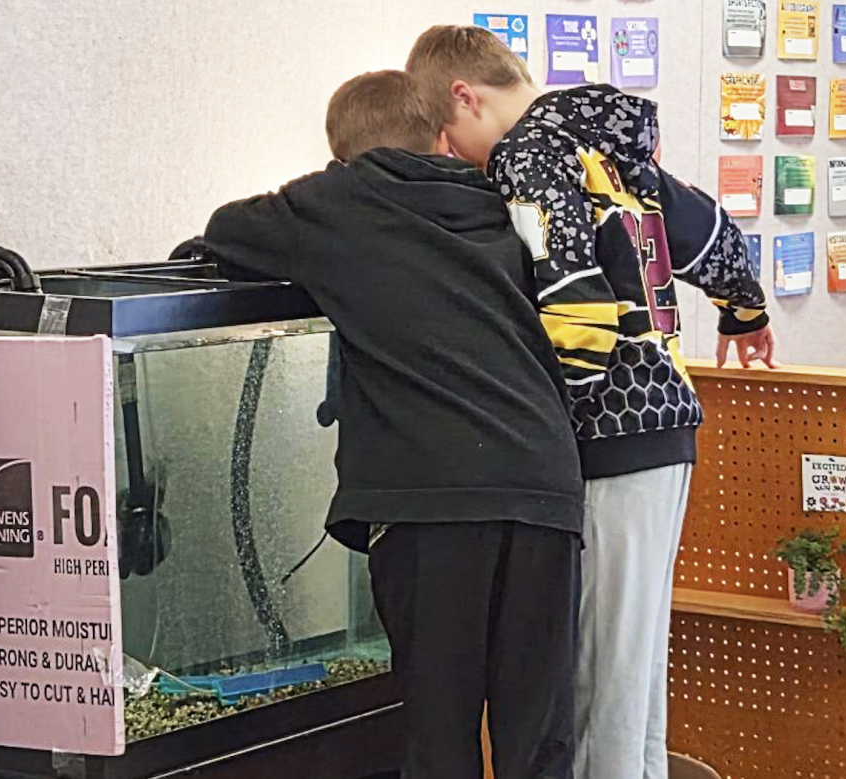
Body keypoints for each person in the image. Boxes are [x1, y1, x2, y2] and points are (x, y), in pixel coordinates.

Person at [406, 27, 778, 779]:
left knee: (596, 682)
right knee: (635, 676)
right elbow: (712, 235)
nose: (453, 158)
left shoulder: (528, 155)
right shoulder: (608, 146)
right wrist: (745, 312)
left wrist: (552, 415)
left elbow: (572, 292)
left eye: (449, 139)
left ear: (464, 96)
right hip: (668, 426)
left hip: (608, 434)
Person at [198, 69, 584, 779]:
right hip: (544, 486)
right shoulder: (498, 201)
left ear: (340, 155)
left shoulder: (340, 201)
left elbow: (227, 229)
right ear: (443, 136)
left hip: (432, 499)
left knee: (442, 734)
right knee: (540, 735)